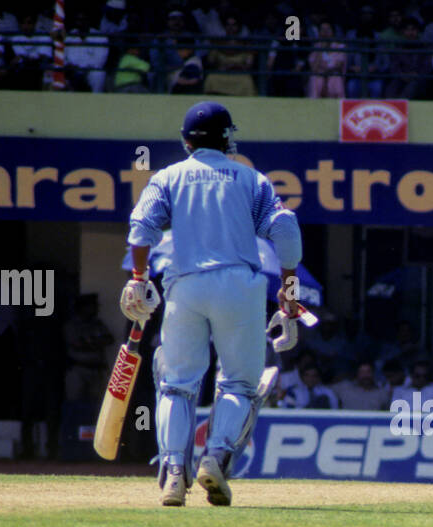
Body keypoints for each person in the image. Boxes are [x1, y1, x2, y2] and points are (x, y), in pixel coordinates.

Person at [124, 102, 303, 506]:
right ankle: (217, 458)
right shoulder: (251, 179)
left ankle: (173, 473)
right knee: (239, 384)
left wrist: (137, 278)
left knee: (176, 385)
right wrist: (288, 285)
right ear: (227, 139)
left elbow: (141, 227)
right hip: (240, 287)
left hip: (184, 285)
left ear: (186, 140)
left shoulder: (168, 177)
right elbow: (285, 227)